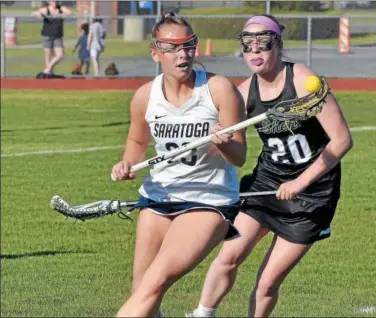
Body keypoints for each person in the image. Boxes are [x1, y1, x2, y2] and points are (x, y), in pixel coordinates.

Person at [187, 14, 353, 317]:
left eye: (263, 44)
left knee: (266, 283)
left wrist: (299, 184)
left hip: (312, 195)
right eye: (248, 45)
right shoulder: (243, 92)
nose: (255, 51)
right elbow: (233, 149)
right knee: (229, 255)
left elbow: (342, 141)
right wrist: (219, 140)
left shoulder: (303, 81)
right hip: (266, 185)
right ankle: (202, 314)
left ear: (278, 45)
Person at [111, 12, 247, 318]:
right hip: (158, 198)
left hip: (207, 199)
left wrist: (225, 143)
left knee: (154, 282)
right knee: (143, 294)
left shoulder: (218, 89)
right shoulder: (145, 96)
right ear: (155, 52)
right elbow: (136, 143)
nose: (182, 54)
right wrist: (128, 164)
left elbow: (240, 156)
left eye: (188, 45)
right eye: (172, 48)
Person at [31, 1, 72, 76]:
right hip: (47, 35)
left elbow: (69, 12)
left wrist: (59, 14)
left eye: (55, 1)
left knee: (60, 55)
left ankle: (47, 70)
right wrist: (38, 14)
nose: (54, 2)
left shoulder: (60, 8)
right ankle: (49, 74)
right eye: (52, 1)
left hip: (58, 35)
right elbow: (33, 13)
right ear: (49, 2)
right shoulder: (46, 9)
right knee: (48, 55)